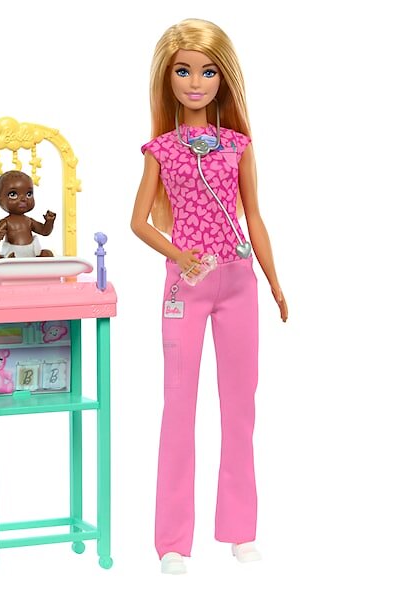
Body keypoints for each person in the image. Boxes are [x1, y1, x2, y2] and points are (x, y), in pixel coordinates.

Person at [130, 18, 288, 575]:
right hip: (186, 285)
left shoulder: (238, 145)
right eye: (183, 71)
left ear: (224, 78)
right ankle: (172, 540)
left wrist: (274, 281)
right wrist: (179, 255)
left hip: (238, 280)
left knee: (240, 406)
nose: (195, 83)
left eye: (207, 71)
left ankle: (241, 530)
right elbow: (138, 222)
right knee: (179, 405)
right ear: (167, 78)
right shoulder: (161, 150)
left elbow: (254, 217)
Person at [0, 170, 56, 260]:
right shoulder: (6, 222)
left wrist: (49, 222)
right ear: (0, 200)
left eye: (29, 194)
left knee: (47, 254)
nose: (24, 199)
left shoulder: (29, 221)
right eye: (13, 194)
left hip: (31, 253)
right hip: (12, 253)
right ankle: (9, 263)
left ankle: (37, 265)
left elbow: (44, 231)